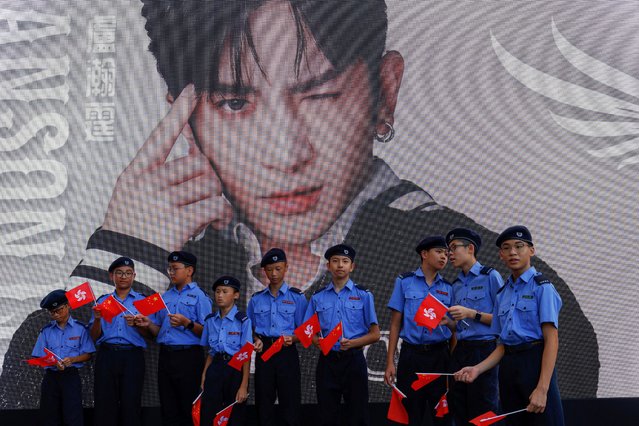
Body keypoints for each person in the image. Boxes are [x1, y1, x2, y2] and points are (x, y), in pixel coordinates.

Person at [3, 0, 597, 407]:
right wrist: (126, 249)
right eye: (235, 102)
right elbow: (25, 398)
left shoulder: (455, 255)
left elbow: (560, 366)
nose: (285, 151)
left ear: (384, 90)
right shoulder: (173, 263)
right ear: (183, 117)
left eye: (319, 93)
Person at [454, 226, 565, 425]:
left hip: (534, 362)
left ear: (531, 250)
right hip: (508, 368)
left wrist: (542, 388)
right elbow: (502, 345)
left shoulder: (543, 287)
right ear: (501, 255)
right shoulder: (502, 293)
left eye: (519, 246)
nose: (513, 252)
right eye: (506, 248)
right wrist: (477, 369)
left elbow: (552, 339)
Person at [303, 244, 380, 425]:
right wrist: (318, 342)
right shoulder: (318, 297)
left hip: (354, 360)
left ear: (352, 267)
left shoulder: (363, 295)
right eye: (335, 261)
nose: (340, 265)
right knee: (327, 414)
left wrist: (353, 343)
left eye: (345, 261)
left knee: (358, 413)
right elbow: (308, 333)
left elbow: (375, 334)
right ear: (328, 266)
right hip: (328, 361)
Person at [135, 251, 212, 426]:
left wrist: (187, 323)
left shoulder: (200, 297)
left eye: (175, 268)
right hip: (166, 357)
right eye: (169, 268)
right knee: (168, 408)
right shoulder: (164, 297)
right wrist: (147, 324)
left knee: (188, 408)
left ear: (189, 270)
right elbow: (157, 333)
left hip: (189, 358)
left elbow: (208, 334)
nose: (171, 272)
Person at [384, 236, 454, 425]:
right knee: (410, 414)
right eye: (439, 252)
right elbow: (395, 324)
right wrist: (390, 362)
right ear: (424, 254)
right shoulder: (404, 282)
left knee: (442, 414)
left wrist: (448, 323)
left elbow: (455, 329)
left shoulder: (449, 287)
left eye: (446, 254)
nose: (444, 257)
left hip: (440, 357)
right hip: (411, 355)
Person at [445, 228, 503, 424]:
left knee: (484, 410)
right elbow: (459, 325)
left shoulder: (490, 277)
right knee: (459, 407)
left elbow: (503, 320)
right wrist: (449, 323)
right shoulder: (455, 285)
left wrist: (471, 313)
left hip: (484, 350)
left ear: (470, 248)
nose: (449, 254)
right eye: (448, 249)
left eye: (454, 248)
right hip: (461, 350)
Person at [247, 248, 308, 426]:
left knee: (290, 402)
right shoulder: (256, 299)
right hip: (265, 352)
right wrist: (255, 339)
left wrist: (294, 338)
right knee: (264, 402)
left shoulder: (297, 297)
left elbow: (306, 331)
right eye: (270, 269)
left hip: (286, 352)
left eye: (278, 268)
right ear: (264, 270)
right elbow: (249, 328)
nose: (274, 274)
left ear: (286, 267)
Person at [90, 257, 149, 426]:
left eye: (128, 273)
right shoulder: (102, 301)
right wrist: (96, 320)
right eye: (119, 273)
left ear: (134, 276)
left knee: (131, 403)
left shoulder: (142, 301)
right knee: (104, 404)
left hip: (132, 357)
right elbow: (93, 337)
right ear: (112, 276)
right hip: (107, 355)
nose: (124, 276)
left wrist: (138, 325)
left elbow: (151, 334)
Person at [31, 290, 95, 426]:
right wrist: (53, 364)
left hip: (70, 377)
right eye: (52, 312)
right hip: (51, 377)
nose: (56, 314)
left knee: (73, 415)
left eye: (59, 310)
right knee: (49, 416)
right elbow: (38, 356)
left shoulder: (80, 329)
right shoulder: (46, 331)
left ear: (68, 306)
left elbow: (88, 354)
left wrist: (72, 360)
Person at [200, 276, 251, 426]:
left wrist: (244, 385)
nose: (220, 295)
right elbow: (211, 351)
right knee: (209, 411)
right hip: (215, 367)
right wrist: (204, 374)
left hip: (235, 367)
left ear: (236, 295)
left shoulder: (243, 320)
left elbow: (246, 354)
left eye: (224, 291)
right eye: (217, 292)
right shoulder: (210, 320)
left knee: (234, 413)